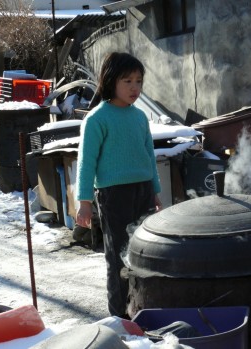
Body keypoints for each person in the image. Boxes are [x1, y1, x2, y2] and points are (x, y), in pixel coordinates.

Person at [76, 52, 162, 318]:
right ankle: (119, 317)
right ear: (111, 81)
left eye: (139, 81)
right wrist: (84, 202)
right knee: (119, 260)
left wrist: (157, 193)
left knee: (146, 254)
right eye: (128, 81)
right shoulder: (97, 118)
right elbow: (86, 162)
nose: (135, 87)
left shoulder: (139, 117)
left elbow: (149, 157)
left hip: (143, 191)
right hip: (114, 196)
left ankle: (143, 309)